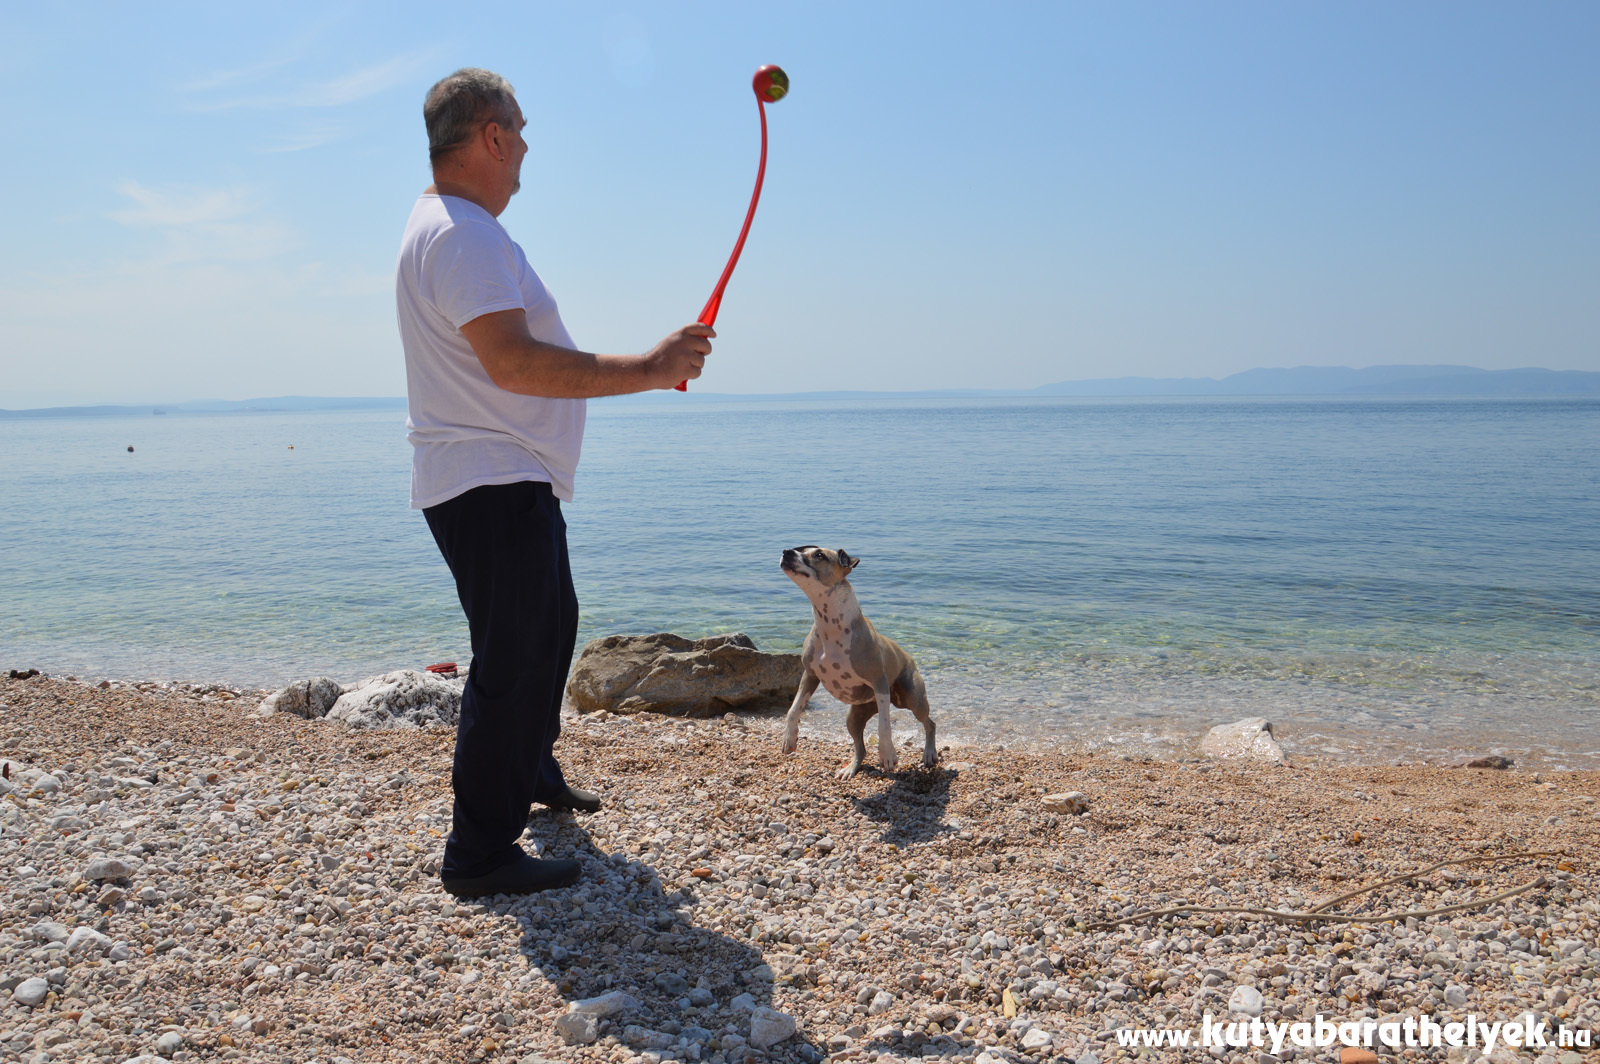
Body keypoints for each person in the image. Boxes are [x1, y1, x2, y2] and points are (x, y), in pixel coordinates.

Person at [397, 68, 713, 897]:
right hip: (488, 476)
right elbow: (513, 362)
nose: (529, 145)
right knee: (514, 655)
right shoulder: (462, 234)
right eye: (522, 128)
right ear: (491, 136)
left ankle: (531, 768)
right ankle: (478, 853)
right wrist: (649, 367)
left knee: (551, 627)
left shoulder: (449, 225)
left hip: (502, 475)